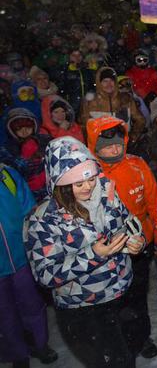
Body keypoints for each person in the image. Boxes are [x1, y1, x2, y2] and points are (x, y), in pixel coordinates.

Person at [25, 137, 144, 367]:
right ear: (60, 185)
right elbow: (46, 274)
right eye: (78, 184)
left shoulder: (106, 191)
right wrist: (94, 255)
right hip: (85, 309)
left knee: (128, 357)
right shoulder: (42, 220)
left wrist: (134, 239)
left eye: (90, 178)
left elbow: (128, 220)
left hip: (122, 294)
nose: (88, 187)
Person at [86, 116, 157, 359]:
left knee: (138, 294)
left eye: (118, 144)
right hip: (107, 250)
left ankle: (141, 337)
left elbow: (154, 202)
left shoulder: (137, 165)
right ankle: (119, 343)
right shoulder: (89, 174)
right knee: (113, 301)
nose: (114, 149)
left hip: (140, 243)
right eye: (108, 146)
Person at [0, 163, 58, 368]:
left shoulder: (7, 175)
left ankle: (40, 344)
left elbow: (29, 209)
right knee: (5, 313)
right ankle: (18, 354)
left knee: (32, 304)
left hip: (22, 256)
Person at [79, 66, 146, 143]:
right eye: (105, 81)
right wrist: (92, 141)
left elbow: (140, 120)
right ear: (99, 83)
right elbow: (84, 125)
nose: (109, 84)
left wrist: (132, 137)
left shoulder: (126, 99)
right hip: (100, 145)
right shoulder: (90, 102)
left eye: (111, 81)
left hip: (124, 144)